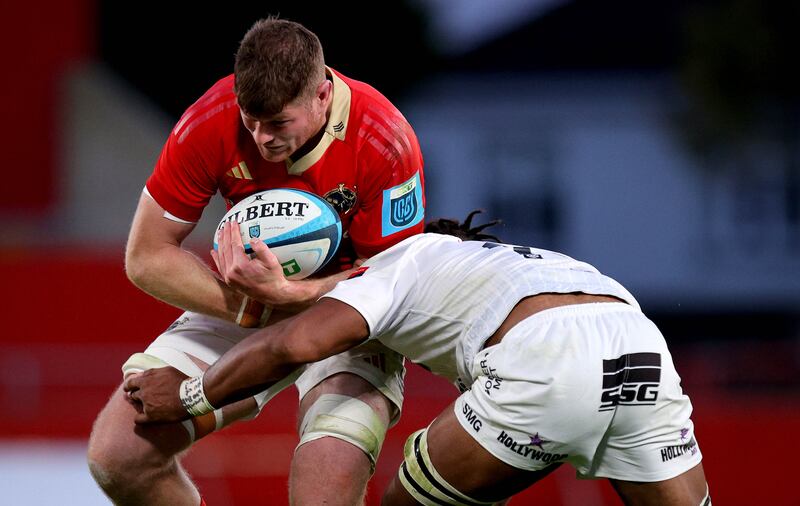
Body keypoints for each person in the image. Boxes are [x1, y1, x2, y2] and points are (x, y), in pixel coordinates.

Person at [125, 212, 711, 506]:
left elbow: (292, 345)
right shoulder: (523, 261)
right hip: (640, 343)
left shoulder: (402, 258)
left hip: (542, 358)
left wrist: (188, 396)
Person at [87, 17, 425, 506]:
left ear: (322, 96)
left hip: (350, 314)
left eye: (279, 123)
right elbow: (146, 256)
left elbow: (393, 287)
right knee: (120, 456)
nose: (263, 138)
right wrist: (256, 308)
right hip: (249, 301)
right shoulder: (212, 119)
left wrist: (292, 295)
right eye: (252, 121)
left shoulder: (383, 138)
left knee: (324, 487)